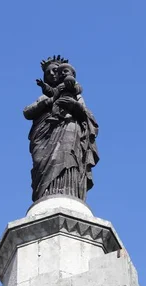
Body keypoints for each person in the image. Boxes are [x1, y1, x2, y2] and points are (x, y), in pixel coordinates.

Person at [23, 56, 99, 202]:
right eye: (48, 73)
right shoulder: (44, 97)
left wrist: (73, 104)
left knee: (68, 158)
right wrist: (49, 102)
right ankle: (44, 196)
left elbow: (86, 114)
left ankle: (69, 194)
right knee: (41, 163)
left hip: (68, 127)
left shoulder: (74, 92)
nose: (51, 74)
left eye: (55, 71)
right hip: (43, 135)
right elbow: (27, 112)